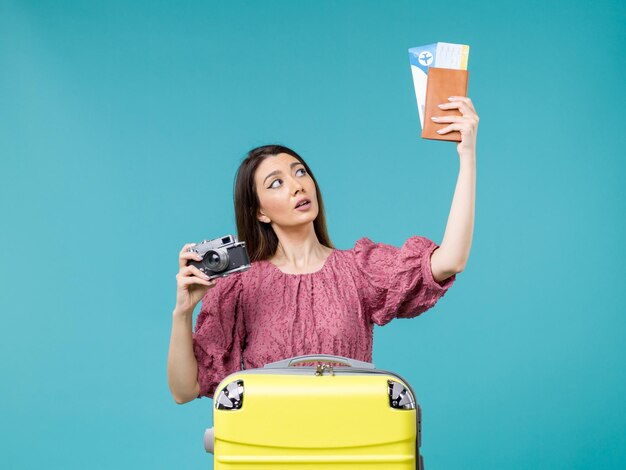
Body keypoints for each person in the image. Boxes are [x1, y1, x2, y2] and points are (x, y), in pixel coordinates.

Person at [168, 97, 479, 404]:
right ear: (260, 212)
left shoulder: (359, 269)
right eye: (276, 183)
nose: (297, 186)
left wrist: (467, 155)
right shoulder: (240, 287)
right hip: (272, 448)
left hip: (350, 445)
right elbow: (184, 390)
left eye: (300, 172)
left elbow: (450, 259)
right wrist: (183, 312)